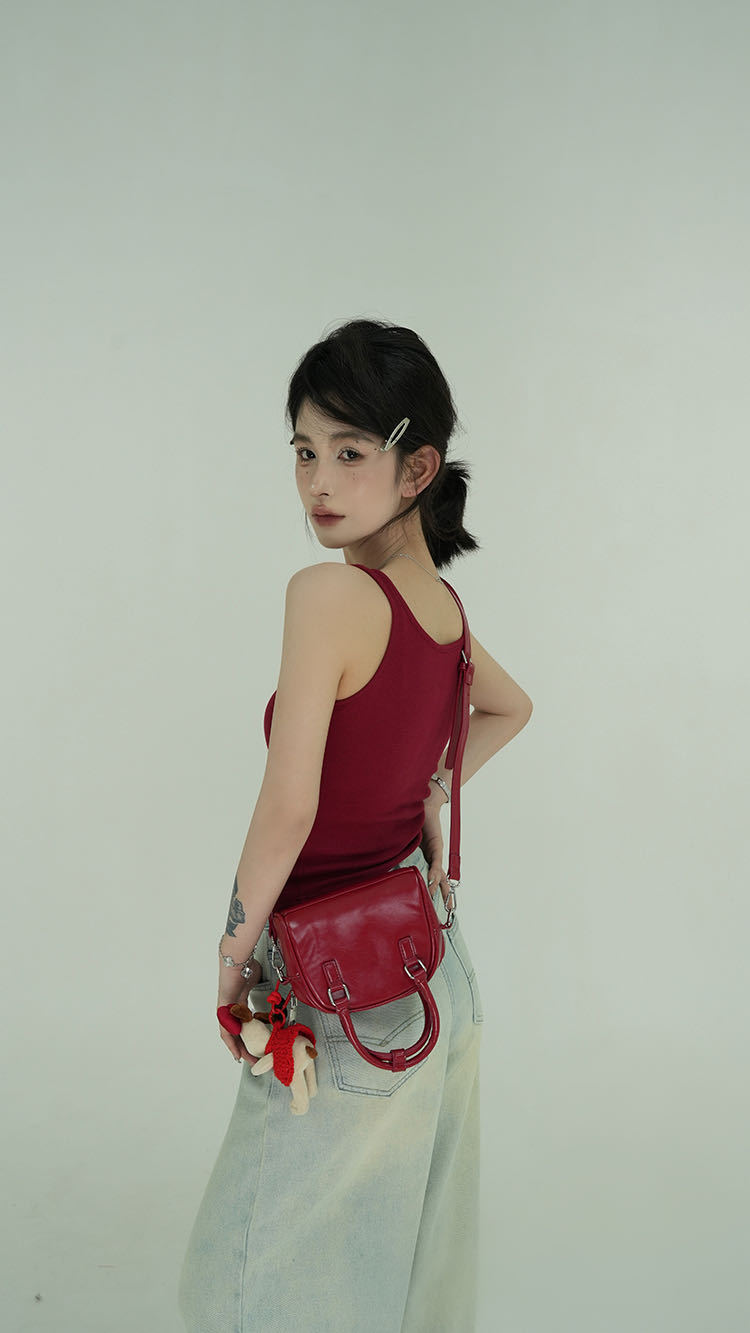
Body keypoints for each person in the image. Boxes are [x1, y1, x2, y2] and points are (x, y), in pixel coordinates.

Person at [177, 318, 533, 1333]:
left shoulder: (330, 595)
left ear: (418, 467)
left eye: (349, 452)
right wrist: (431, 796)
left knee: (236, 1290)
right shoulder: (443, 612)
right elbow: (510, 708)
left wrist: (232, 955)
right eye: (303, 452)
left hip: (332, 989)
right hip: (430, 968)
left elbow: (289, 804)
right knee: (398, 1281)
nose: (318, 483)